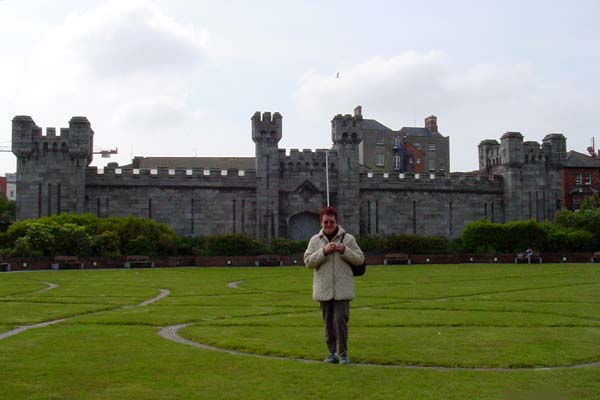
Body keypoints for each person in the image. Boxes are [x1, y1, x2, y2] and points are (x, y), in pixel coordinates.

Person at [304, 206, 365, 365]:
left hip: (342, 288)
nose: (329, 225)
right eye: (326, 222)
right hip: (324, 288)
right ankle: (331, 353)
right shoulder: (315, 240)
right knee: (328, 324)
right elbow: (308, 262)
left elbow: (360, 259)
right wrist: (323, 251)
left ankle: (343, 354)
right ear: (321, 222)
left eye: (331, 222)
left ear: (336, 221)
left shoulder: (348, 239)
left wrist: (344, 250)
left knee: (340, 322)